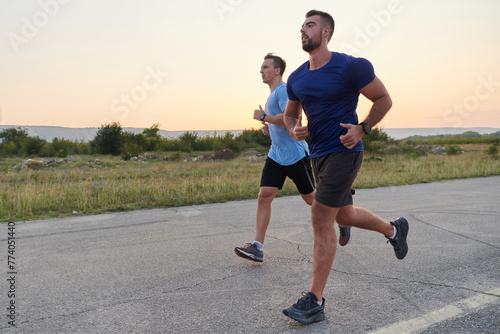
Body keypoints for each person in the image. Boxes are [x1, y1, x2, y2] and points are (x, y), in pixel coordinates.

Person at [282, 10, 409, 324]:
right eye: (301, 26)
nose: (303, 30)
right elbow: (289, 115)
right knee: (343, 215)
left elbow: (383, 98)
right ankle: (395, 230)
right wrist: (294, 129)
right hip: (318, 154)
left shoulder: (352, 66)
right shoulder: (297, 77)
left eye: (309, 25)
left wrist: (362, 128)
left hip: (346, 150)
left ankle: (315, 300)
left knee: (320, 214)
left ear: (325, 32)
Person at [234, 53, 352, 263]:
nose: (261, 71)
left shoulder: (283, 90)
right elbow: (283, 122)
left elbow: (292, 117)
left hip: (296, 155)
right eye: (261, 67)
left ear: (277, 70)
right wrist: (270, 128)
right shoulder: (272, 94)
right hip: (276, 155)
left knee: (312, 200)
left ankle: (343, 216)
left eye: (265, 67)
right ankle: (257, 247)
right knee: (264, 196)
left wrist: (264, 118)